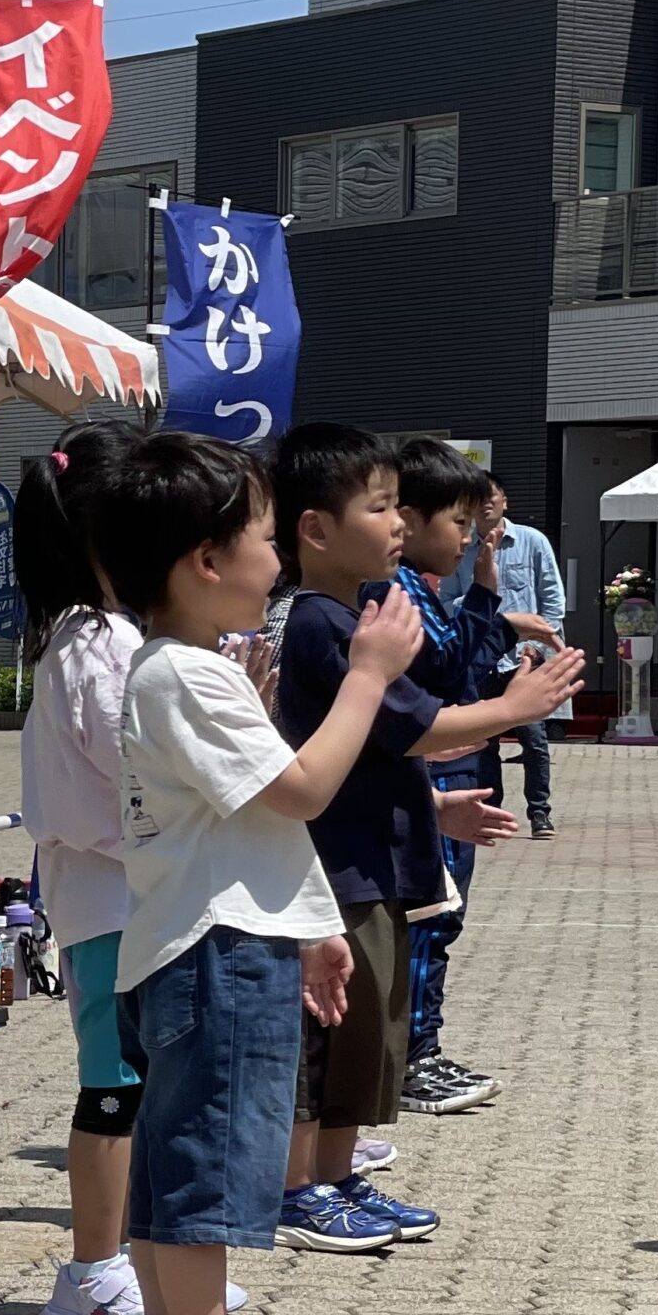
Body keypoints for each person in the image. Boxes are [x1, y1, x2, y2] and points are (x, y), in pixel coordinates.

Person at [99, 430, 423, 1315]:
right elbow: (304, 790)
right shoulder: (185, 677)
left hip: (197, 942)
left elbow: (251, 824)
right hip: (219, 953)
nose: (277, 560)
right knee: (206, 1164)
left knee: (172, 1162)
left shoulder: (183, 669)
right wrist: (368, 675)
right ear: (207, 559)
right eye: (268, 538)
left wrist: (317, 927)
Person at [272, 426, 583, 1253]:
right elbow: (414, 725)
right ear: (315, 529)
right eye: (380, 508)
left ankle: (335, 1177)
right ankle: (297, 1189)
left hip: (377, 856)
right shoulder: (322, 624)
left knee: (368, 1035)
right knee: (331, 1036)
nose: (398, 524)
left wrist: (435, 806)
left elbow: (391, 740)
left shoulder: (358, 614)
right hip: (338, 867)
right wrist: (514, 708)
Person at [15, 425, 250, 1315]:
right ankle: (91, 1271)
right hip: (116, 897)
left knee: (140, 1089)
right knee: (114, 1091)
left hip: (123, 894)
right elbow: (144, 772)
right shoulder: (101, 643)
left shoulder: (92, 636)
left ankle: (135, 1268)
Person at [396, 443, 552, 1116]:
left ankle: (414, 1052)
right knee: (426, 919)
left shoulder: (416, 588)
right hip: (425, 777)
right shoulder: (390, 593)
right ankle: (410, 1057)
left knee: (439, 917)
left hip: (449, 770)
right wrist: (491, 604)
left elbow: (452, 659)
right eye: (460, 522)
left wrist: (496, 617)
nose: (468, 539)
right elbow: (443, 672)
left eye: (476, 524)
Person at [453, 472, 566, 839]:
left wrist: (537, 648)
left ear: (505, 501)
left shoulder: (532, 541)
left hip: (524, 657)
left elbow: (553, 600)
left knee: (534, 741)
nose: (486, 504)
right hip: (480, 659)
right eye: (478, 499)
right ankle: (493, 812)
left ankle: (540, 812)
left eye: (492, 497)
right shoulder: (462, 546)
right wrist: (478, 597)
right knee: (483, 742)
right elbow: (446, 602)